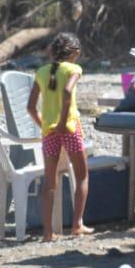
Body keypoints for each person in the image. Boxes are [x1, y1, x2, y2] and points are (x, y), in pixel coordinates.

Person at [27, 32, 93, 241]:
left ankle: (48, 232)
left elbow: (30, 107)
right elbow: (66, 92)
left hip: (50, 133)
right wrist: (64, 122)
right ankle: (77, 225)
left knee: (50, 181)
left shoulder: (42, 72)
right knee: (82, 175)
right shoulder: (74, 69)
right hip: (70, 129)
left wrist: (45, 126)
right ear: (75, 53)